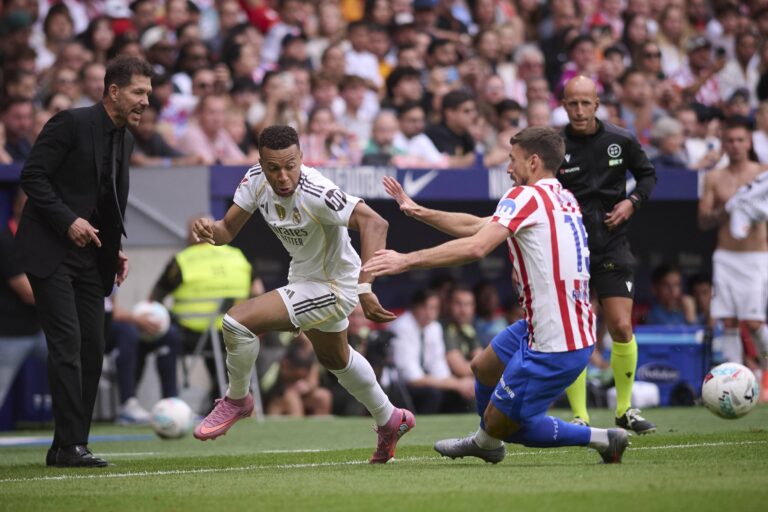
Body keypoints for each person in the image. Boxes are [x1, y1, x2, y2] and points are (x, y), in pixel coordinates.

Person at [365, 127, 628, 464]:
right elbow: (479, 225)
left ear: (533, 162)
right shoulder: (561, 197)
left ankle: (602, 439)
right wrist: (418, 211)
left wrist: (406, 260)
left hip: (554, 341)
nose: (507, 168)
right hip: (556, 325)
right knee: (484, 367)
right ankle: (486, 439)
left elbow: (477, 246)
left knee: (512, 428)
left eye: (512, 159)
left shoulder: (525, 197)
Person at [190, 125, 415, 464]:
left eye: (290, 165)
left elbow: (376, 223)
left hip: (335, 286)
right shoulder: (254, 181)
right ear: (261, 163)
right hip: (305, 276)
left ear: (301, 159)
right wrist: (210, 229)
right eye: (273, 168)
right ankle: (389, 419)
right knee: (335, 359)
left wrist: (366, 286)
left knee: (237, 323)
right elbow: (226, 232)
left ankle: (237, 399)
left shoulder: (318, 191)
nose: (282, 176)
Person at [15, 55, 153, 468]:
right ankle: (72, 445)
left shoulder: (125, 138)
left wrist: (115, 247)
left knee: (93, 347)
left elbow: (106, 201)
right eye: (138, 92)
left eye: (148, 92)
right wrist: (68, 221)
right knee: (68, 344)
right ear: (113, 91)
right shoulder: (69, 123)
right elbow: (31, 177)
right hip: (51, 249)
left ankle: (67, 445)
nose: (146, 100)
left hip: (92, 257)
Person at [557, 76, 657, 434]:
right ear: (564, 105)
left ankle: (625, 410)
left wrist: (632, 202)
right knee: (576, 334)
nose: (580, 110)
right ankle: (580, 415)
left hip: (613, 244)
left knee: (620, 326)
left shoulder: (621, 139)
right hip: (570, 248)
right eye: (573, 104)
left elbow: (647, 176)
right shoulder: (555, 144)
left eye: (586, 103)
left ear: (597, 104)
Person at [699, 117, 768, 368]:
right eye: (730, 140)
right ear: (724, 144)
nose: (736, 145)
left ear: (749, 142)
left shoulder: (763, 173)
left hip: (756, 256)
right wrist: (726, 209)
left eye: (740, 140)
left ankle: (766, 368)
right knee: (727, 320)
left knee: (753, 323)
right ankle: (733, 379)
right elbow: (703, 221)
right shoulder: (714, 178)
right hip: (726, 256)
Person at [387, 289, 475, 414]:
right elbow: (412, 379)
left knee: (458, 393)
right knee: (432, 394)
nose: (429, 313)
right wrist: (457, 384)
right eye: (425, 307)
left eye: (434, 308)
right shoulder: (402, 327)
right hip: (397, 387)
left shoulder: (434, 327)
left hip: (423, 381)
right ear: (414, 307)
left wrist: (459, 384)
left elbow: (439, 368)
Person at [0, 189, 46, 414]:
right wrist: (64, 299)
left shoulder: (40, 241)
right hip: (9, 333)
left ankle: (75, 430)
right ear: (19, 206)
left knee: (73, 360)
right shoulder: (5, 240)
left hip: (38, 330)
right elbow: (28, 293)